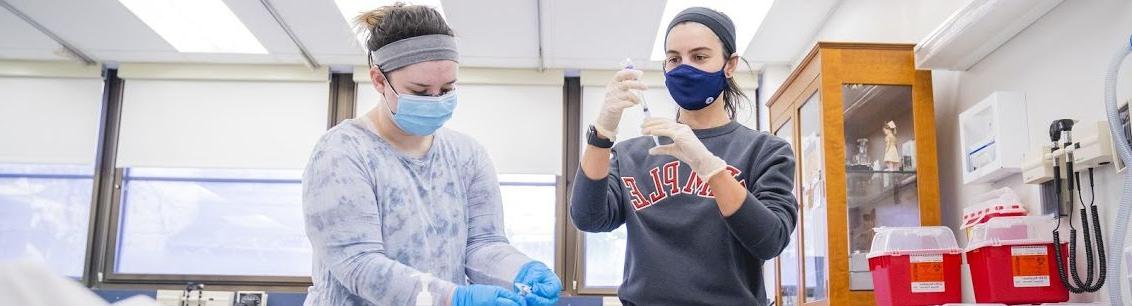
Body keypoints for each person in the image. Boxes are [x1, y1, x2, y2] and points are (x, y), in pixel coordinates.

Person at [302, 3, 560, 306]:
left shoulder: (467, 155)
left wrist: (521, 270)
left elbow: (481, 245)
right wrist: (455, 298)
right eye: (421, 91)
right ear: (379, 80)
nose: (436, 101)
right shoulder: (342, 154)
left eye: (447, 89)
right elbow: (359, 264)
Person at [570, 7, 798, 306]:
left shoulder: (764, 151)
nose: (684, 68)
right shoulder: (635, 153)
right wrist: (602, 131)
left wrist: (710, 167)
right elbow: (588, 218)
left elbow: (770, 240)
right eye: (674, 59)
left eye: (700, 57)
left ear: (730, 65)